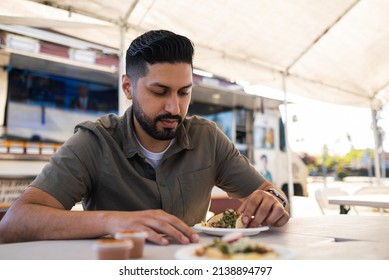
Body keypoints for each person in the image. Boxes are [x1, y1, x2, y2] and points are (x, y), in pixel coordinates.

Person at [0, 30, 289, 245]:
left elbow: (271, 193)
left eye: (184, 92)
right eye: (159, 91)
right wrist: (116, 220)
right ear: (128, 87)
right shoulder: (94, 142)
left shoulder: (208, 138)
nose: (174, 108)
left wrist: (273, 200)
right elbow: (15, 223)